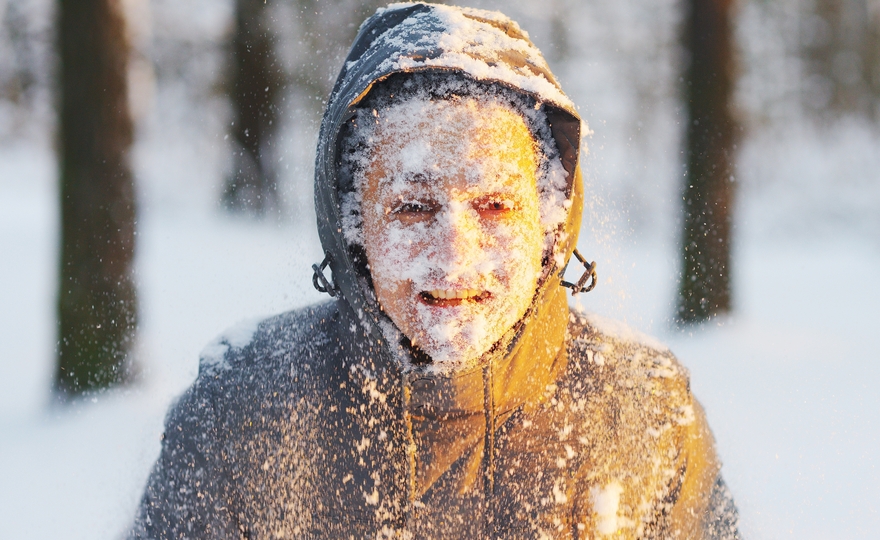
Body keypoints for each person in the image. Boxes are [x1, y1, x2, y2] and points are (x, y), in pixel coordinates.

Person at [129, 4, 740, 539]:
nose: (455, 256)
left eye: (495, 206)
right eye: (413, 208)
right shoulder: (244, 411)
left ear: (550, 220)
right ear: (352, 222)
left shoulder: (641, 413)